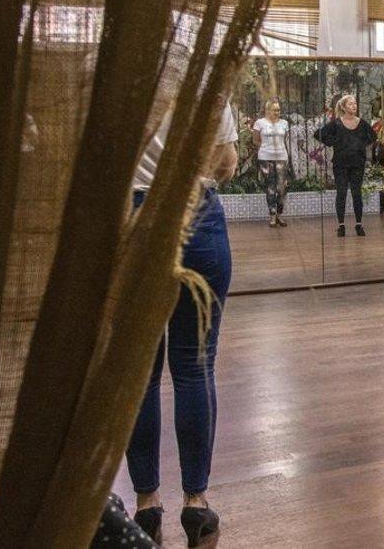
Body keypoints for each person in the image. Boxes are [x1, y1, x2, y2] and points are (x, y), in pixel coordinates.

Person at [126, 97, 238, 548]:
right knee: (194, 369)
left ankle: (146, 504)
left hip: (133, 219)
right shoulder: (207, 81)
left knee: (139, 374)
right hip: (198, 214)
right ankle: (196, 504)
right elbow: (226, 163)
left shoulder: (119, 73)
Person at [314, 94, 376, 237]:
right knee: (341, 193)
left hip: (357, 163)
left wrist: (360, 145)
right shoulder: (336, 123)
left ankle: (359, 224)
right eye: (350, 104)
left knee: (356, 193)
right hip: (340, 164)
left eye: (355, 104)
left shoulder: (362, 123)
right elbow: (319, 134)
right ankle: (341, 225)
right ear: (343, 107)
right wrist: (333, 142)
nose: (354, 106)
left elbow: (373, 136)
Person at [252, 98, 290, 227]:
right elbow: (255, 140)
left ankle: (280, 214)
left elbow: (284, 140)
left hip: (281, 156)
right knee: (270, 187)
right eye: (274, 110)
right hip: (266, 157)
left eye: (279, 110)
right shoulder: (259, 123)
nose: (277, 112)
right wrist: (266, 147)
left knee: (282, 187)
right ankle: (272, 216)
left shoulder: (284, 123)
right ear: (267, 110)